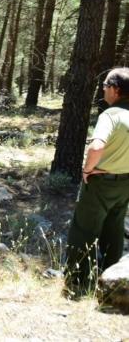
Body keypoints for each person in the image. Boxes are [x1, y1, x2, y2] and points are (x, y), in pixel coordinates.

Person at [64, 67, 129, 296]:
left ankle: (78, 282)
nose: (102, 90)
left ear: (115, 89)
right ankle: (113, 281)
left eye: (105, 86)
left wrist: (87, 169)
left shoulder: (110, 115)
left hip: (101, 180)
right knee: (114, 228)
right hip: (125, 184)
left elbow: (97, 146)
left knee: (84, 230)